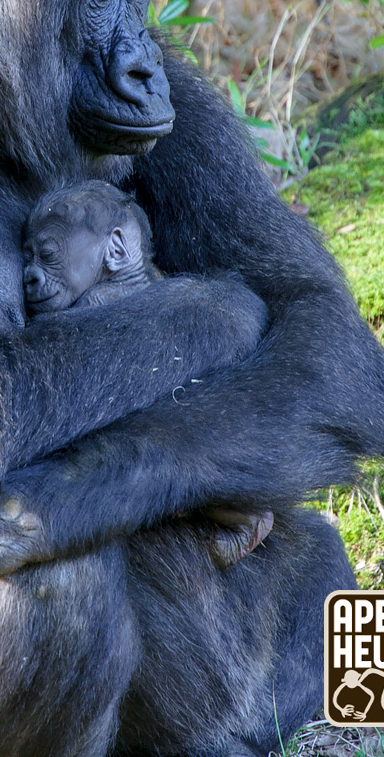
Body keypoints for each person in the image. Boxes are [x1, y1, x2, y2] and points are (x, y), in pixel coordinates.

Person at [22, 180, 275, 570]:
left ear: (117, 249)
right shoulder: (165, 285)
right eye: (29, 259)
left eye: (49, 255)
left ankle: (244, 518)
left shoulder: (101, 302)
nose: (31, 275)